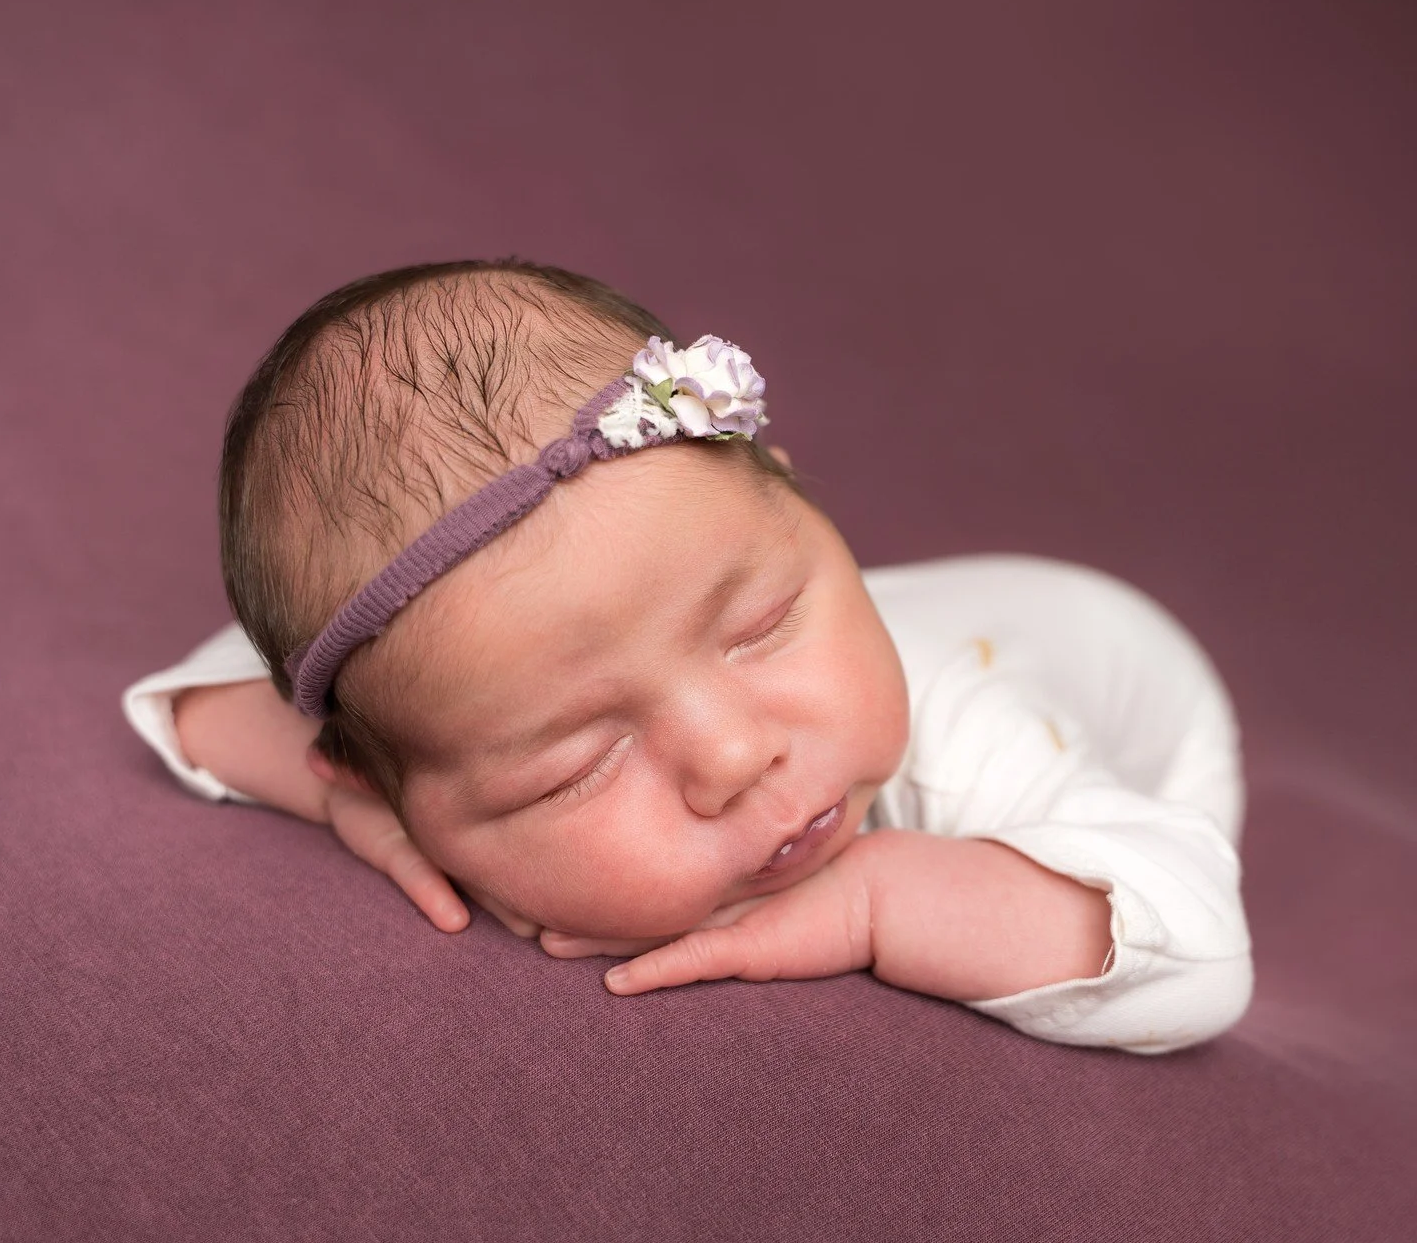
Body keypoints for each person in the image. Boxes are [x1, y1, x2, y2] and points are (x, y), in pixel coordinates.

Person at [122, 259, 1253, 1055]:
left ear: (804, 498)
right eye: (577, 763)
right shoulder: (414, 724)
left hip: (1139, 686)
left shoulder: (969, 736)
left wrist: (872, 902)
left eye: (760, 625)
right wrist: (356, 814)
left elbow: (1195, 954)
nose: (732, 755)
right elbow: (199, 702)